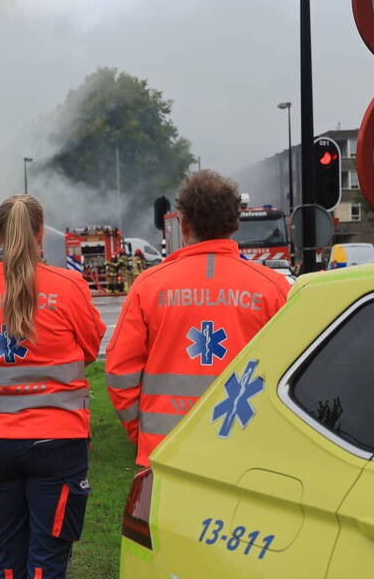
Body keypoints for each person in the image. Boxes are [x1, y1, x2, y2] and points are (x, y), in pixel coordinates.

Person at [0, 194, 105, 579]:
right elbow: (92, 348)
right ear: (41, 232)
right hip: (58, 442)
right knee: (49, 561)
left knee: (9, 562)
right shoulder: (68, 287)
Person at [106, 170, 290, 467]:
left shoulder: (149, 285)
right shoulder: (274, 288)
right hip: (246, 447)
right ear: (235, 223)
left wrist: (140, 430)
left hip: (165, 451)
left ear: (184, 223)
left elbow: (119, 372)